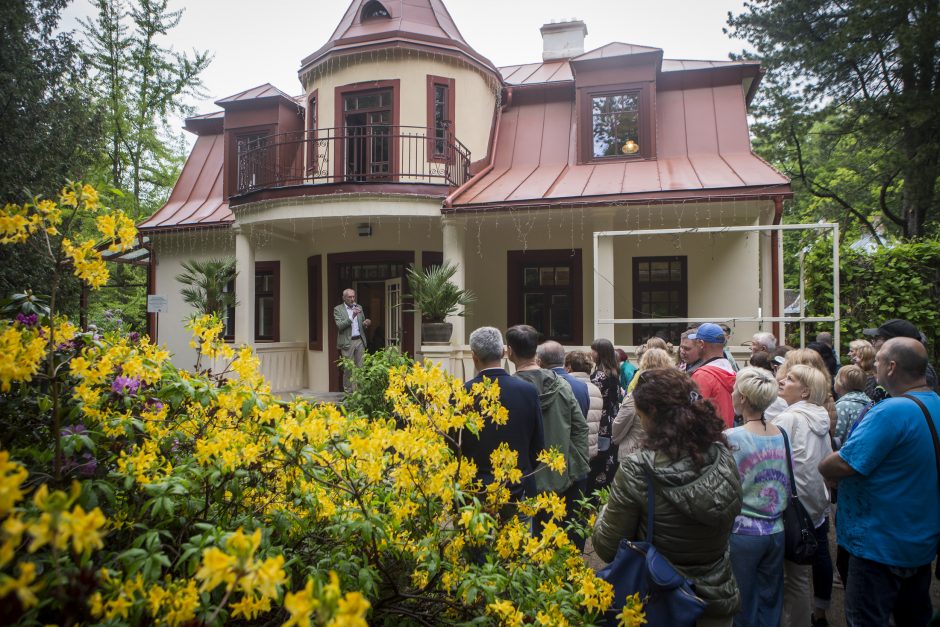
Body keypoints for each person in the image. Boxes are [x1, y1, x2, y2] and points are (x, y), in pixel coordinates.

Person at [593, 368, 743, 626]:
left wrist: (605, 511)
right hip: (716, 596)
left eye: (640, 417)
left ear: (651, 415)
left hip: (660, 597)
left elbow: (607, 546)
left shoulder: (638, 469)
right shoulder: (722, 454)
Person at [818, 337, 940, 626]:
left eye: (879, 361)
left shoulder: (891, 411)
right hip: (920, 542)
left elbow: (843, 463)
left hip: (879, 545)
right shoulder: (935, 404)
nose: (874, 367)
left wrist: (824, 465)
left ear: (892, 367)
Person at [506, 325, 590, 543]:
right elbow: (580, 428)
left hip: (521, 480)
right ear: (535, 351)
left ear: (510, 351)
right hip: (559, 477)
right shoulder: (562, 385)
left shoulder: (508, 389)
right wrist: (573, 468)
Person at [725, 367, 789, 627]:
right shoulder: (781, 433)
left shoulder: (732, 438)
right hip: (776, 528)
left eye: (734, 390)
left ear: (743, 399)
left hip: (743, 530)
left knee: (741, 601)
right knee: (771, 598)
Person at [772, 364, 834, 627]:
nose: (783, 381)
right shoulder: (819, 415)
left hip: (791, 509)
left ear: (806, 391)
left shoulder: (789, 419)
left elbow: (772, 461)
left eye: (791, 379)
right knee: (799, 577)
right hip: (814, 508)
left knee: (789, 578)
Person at [462, 327, 544, 504]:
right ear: (503, 352)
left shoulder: (464, 392)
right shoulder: (528, 391)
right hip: (518, 485)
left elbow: (454, 444)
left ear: (474, 356)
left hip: (475, 489)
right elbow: (538, 445)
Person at [863, 318, 939, 395]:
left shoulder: (919, 369)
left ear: (894, 342)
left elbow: (917, 401)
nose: (873, 344)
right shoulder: (893, 366)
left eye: (877, 338)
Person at [688, 323, 737, 428]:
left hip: (708, 439)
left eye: (695, 342)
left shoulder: (702, 376)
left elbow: (694, 415)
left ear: (701, 343)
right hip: (727, 438)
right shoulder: (732, 372)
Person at [589, 338, 621, 491]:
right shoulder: (614, 372)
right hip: (611, 420)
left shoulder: (599, 376)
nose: (591, 353)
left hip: (601, 421)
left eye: (594, 350)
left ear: (600, 353)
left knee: (598, 460)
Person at [564, 350, 603, 470]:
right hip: (590, 448)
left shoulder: (566, 387)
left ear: (569, 367)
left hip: (572, 450)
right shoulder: (595, 389)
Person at [333, 288, 370, 393]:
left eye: (353, 296)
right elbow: (340, 326)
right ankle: (348, 393)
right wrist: (351, 316)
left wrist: (366, 323)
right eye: (350, 297)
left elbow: (362, 323)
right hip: (347, 342)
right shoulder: (338, 309)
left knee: (361, 367)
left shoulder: (359, 307)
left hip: (359, 340)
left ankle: (360, 392)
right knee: (348, 369)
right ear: (344, 298)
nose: (352, 299)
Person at [832, 365, 870, 448]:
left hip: (845, 454)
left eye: (837, 377)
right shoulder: (869, 403)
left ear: (841, 383)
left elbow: (837, 434)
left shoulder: (842, 405)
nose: (834, 379)